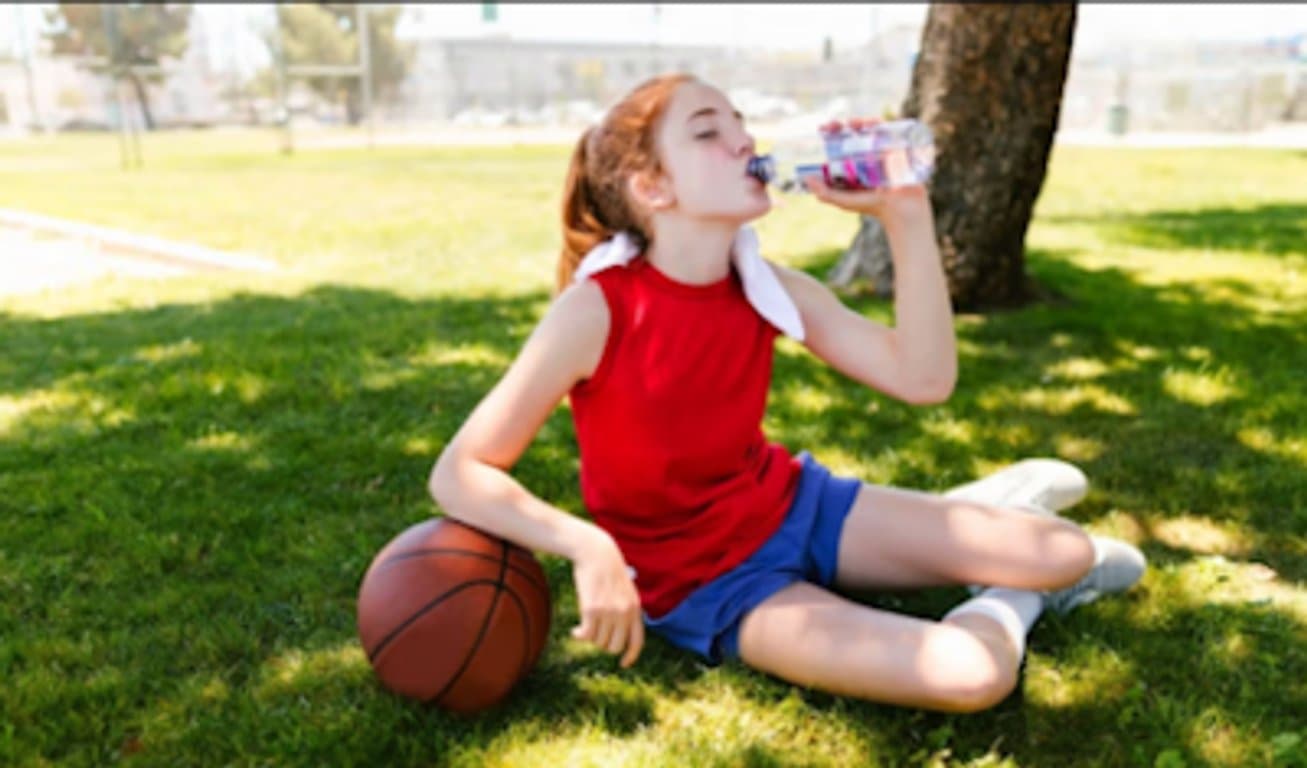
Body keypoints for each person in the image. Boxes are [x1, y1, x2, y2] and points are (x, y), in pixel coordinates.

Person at [428, 73, 1146, 713]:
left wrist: (904, 217)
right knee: (969, 675)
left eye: (740, 125)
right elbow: (459, 472)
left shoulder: (768, 288)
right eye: (710, 132)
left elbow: (923, 379)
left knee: (1063, 552)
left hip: (791, 506)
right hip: (708, 580)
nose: (744, 142)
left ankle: (987, 522)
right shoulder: (597, 310)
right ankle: (1007, 593)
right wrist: (586, 546)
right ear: (653, 187)